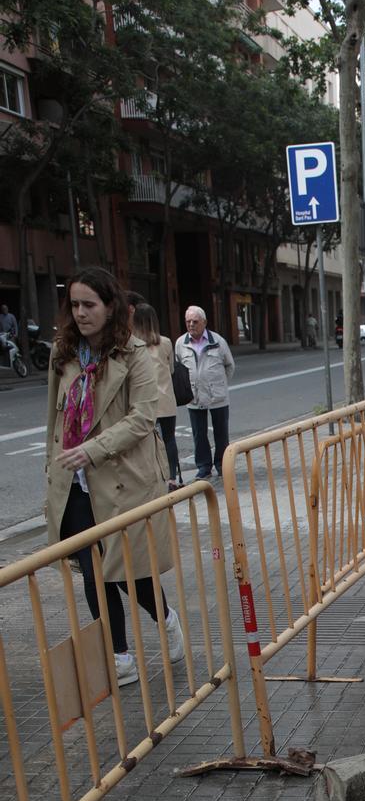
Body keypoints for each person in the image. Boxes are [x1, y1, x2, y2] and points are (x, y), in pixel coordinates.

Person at [45, 265, 183, 688]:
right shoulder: (62, 352)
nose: (81, 313)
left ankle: (165, 618)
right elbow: (54, 413)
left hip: (124, 479)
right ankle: (119, 654)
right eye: (75, 305)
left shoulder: (136, 354)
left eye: (90, 304)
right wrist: (55, 465)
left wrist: (93, 448)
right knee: (93, 570)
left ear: (110, 307)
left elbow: (143, 418)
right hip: (77, 484)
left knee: (130, 575)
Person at [175, 304, 235, 481]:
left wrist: (219, 384)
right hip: (194, 396)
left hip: (218, 396)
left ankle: (222, 465)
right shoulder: (180, 343)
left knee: (221, 433)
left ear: (204, 322)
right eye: (188, 322)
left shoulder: (218, 341)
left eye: (195, 321)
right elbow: (178, 368)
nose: (191, 325)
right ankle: (204, 467)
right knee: (199, 434)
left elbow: (229, 366)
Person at [129, 296, 181, 488]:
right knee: (169, 439)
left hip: (143, 401)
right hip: (165, 398)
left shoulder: (132, 346)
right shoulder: (166, 342)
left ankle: (151, 478)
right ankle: (172, 477)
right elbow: (172, 369)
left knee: (145, 442)